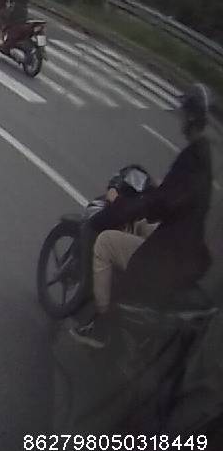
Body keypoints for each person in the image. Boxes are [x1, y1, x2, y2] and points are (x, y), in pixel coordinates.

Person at [70, 84, 214, 349]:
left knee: (105, 243)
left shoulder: (190, 159)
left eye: (184, 113)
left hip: (168, 254)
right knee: (141, 226)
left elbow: (156, 206)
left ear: (191, 117)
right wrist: (162, 188)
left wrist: (118, 203)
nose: (180, 118)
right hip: (187, 247)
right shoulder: (203, 158)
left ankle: (101, 326)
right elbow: (178, 198)